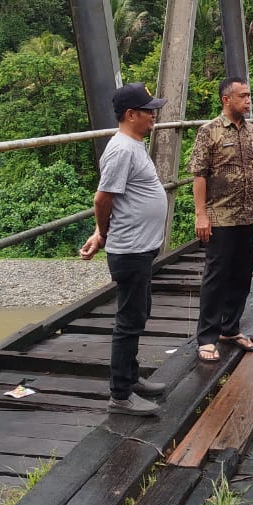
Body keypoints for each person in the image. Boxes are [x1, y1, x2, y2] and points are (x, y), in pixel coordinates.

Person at [79, 82, 170, 416]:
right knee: (129, 320)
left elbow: (119, 197)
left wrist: (100, 234)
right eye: (149, 111)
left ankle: (131, 379)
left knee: (138, 312)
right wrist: (102, 234)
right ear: (131, 115)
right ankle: (120, 395)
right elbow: (102, 198)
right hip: (130, 249)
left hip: (139, 247)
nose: (154, 116)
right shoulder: (121, 150)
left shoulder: (133, 145)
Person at [189, 75, 253, 363]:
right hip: (220, 216)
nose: (248, 101)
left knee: (241, 275)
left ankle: (230, 328)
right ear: (227, 99)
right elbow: (199, 175)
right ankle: (207, 337)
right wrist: (201, 215)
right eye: (243, 96)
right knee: (216, 277)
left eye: (249, 96)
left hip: (248, 215)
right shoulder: (208, 131)